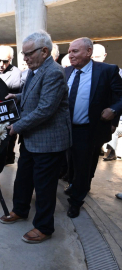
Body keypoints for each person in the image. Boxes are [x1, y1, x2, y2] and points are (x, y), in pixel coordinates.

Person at [0, 30, 71, 244]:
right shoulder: (35, 68)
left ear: (44, 51)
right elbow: (33, 93)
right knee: (23, 178)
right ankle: (20, 210)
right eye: (23, 54)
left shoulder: (54, 72)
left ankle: (44, 227)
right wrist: (18, 96)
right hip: (32, 138)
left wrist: (16, 127)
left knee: (44, 187)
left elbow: (45, 109)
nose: (25, 58)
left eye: (28, 54)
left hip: (49, 141)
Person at [63, 37, 122, 218]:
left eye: (75, 51)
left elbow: (120, 97)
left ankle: (76, 201)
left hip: (88, 129)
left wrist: (113, 110)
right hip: (65, 129)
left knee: (83, 166)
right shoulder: (66, 72)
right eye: (69, 51)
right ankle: (75, 185)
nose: (70, 55)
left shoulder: (107, 71)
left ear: (89, 52)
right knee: (69, 163)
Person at [0, 45, 23, 168]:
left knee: (2, 152)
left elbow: (18, 99)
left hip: (5, 119)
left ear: (11, 59)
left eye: (5, 61)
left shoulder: (16, 74)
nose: (1, 64)